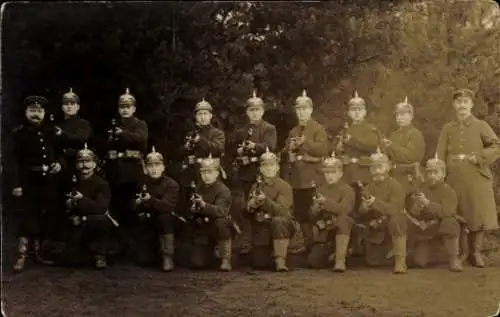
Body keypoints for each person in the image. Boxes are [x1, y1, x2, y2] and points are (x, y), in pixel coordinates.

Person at [436, 88, 500, 267]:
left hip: (476, 176)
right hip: (454, 176)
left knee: (477, 213)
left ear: (471, 105)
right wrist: (440, 173)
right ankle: (462, 253)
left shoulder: (481, 125)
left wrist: (479, 157)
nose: (462, 105)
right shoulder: (448, 128)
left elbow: (496, 146)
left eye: (465, 102)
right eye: (458, 102)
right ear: (454, 105)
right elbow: (440, 153)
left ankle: (476, 252)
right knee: (459, 214)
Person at [8, 95, 63, 272]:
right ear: (25, 112)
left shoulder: (51, 132)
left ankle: (38, 253)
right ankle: (21, 255)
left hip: (47, 181)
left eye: (39, 111)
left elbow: (62, 151)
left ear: (44, 113)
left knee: (43, 215)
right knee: (26, 217)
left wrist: (59, 163)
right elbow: (12, 161)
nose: (36, 114)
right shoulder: (18, 134)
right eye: (32, 111)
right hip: (28, 181)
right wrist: (16, 184)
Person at [230, 90, 277, 255]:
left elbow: (270, 146)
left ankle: (270, 242)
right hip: (246, 172)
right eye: (251, 110)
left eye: (257, 110)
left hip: (262, 170)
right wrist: (240, 151)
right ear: (247, 112)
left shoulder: (269, 128)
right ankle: (250, 241)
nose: (254, 113)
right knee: (249, 207)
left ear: (263, 111)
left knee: (265, 205)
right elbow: (233, 149)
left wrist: (254, 147)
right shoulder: (242, 130)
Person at [282, 90, 328, 254]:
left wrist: (305, 142)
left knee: (317, 212)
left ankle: (322, 244)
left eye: (305, 108)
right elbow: (286, 150)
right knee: (301, 214)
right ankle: (308, 244)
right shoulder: (293, 131)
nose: (301, 112)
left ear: (311, 109)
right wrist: (290, 150)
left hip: (314, 178)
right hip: (298, 179)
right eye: (299, 109)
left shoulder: (318, 128)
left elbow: (323, 149)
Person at [104, 88, 148, 245]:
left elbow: (140, 139)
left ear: (134, 109)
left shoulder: (140, 124)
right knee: (116, 205)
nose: (125, 110)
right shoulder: (112, 124)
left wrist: (122, 133)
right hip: (115, 170)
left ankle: (134, 244)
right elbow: (107, 145)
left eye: (128, 107)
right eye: (122, 107)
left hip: (132, 170)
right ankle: (117, 243)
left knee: (134, 206)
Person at [61, 143, 117, 269]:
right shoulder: (70, 181)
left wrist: (81, 200)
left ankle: (100, 255)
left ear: (94, 164)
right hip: (74, 222)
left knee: (102, 221)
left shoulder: (101, 184)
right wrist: (69, 205)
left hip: (93, 222)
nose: (84, 165)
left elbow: (101, 208)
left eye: (88, 161)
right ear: (76, 164)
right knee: (69, 260)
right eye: (80, 161)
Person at [406, 153, 463, 272]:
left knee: (450, 222)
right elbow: (412, 213)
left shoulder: (449, 191)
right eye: (429, 172)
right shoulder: (421, 188)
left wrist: (427, 203)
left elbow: (446, 212)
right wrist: (417, 207)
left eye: (436, 172)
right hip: (426, 230)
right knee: (419, 262)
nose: (432, 176)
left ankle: (454, 259)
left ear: (443, 174)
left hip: (442, 226)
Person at [354, 147, 408, 274]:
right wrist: (365, 206)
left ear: (387, 168)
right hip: (378, 226)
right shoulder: (368, 187)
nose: (377, 171)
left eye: (380, 167)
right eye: (373, 168)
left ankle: (401, 262)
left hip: (394, 225)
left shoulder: (395, 185)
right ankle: (390, 251)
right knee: (372, 261)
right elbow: (361, 211)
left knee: (397, 220)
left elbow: (395, 209)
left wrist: (375, 203)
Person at [246, 148, 294, 272]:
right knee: (259, 263)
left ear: (277, 167)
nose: (268, 168)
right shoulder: (255, 186)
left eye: (272, 165)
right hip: (263, 226)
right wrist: (251, 206)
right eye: (265, 166)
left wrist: (265, 200)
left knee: (279, 221)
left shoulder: (284, 186)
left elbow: (282, 211)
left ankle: (280, 260)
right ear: (260, 169)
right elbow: (247, 213)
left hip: (281, 226)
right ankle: (270, 253)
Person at [132, 146, 180, 272]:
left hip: (165, 222)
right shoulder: (141, 182)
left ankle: (167, 256)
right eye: (150, 166)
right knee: (143, 261)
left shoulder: (171, 184)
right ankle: (152, 251)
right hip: (148, 222)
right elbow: (131, 204)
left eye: (157, 165)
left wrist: (150, 200)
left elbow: (167, 206)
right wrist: (137, 202)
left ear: (163, 167)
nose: (154, 169)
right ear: (146, 168)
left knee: (165, 217)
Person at [307, 152, 355, 272]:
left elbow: (345, 209)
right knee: (313, 261)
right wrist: (315, 210)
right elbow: (312, 216)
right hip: (327, 230)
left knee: (343, 220)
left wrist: (326, 203)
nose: (329, 176)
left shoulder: (347, 190)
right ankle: (335, 254)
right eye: (327, 172)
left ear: (340, 173)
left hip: (344, 229)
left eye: (333, 172)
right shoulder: (319, 189)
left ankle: (340, 260)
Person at [184, 154, 233, 271]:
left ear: (217, 173)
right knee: (196, 263)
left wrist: (204, 205)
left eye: (210, 172)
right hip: (203, 229)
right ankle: (210, 254)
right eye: (204, 172)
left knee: (221, 222)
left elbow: (221, 211)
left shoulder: (223, 190)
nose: (206, 175)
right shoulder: (199, 188)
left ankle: (226, 259)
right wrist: (193, 209)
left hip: (218, 228)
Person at [381, 96, 426, 195]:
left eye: (403, 114)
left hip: (409, 178)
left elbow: (410, 156)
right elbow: (389, 157)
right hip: (394, 176)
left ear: (411, 116)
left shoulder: (416, 134)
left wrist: (392, 146)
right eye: (397, 115)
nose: (399, 118)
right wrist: (385, 148)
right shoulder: (393, 135)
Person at [53, 88, 93, 176]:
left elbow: (82, 139)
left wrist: (62, 134)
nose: (69, 106)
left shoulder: (83, 123)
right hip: (59, 165)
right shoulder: (57, 124)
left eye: (72, 104)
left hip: (78, 164)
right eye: (66, 104)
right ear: (62, 107)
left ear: (78, 107)